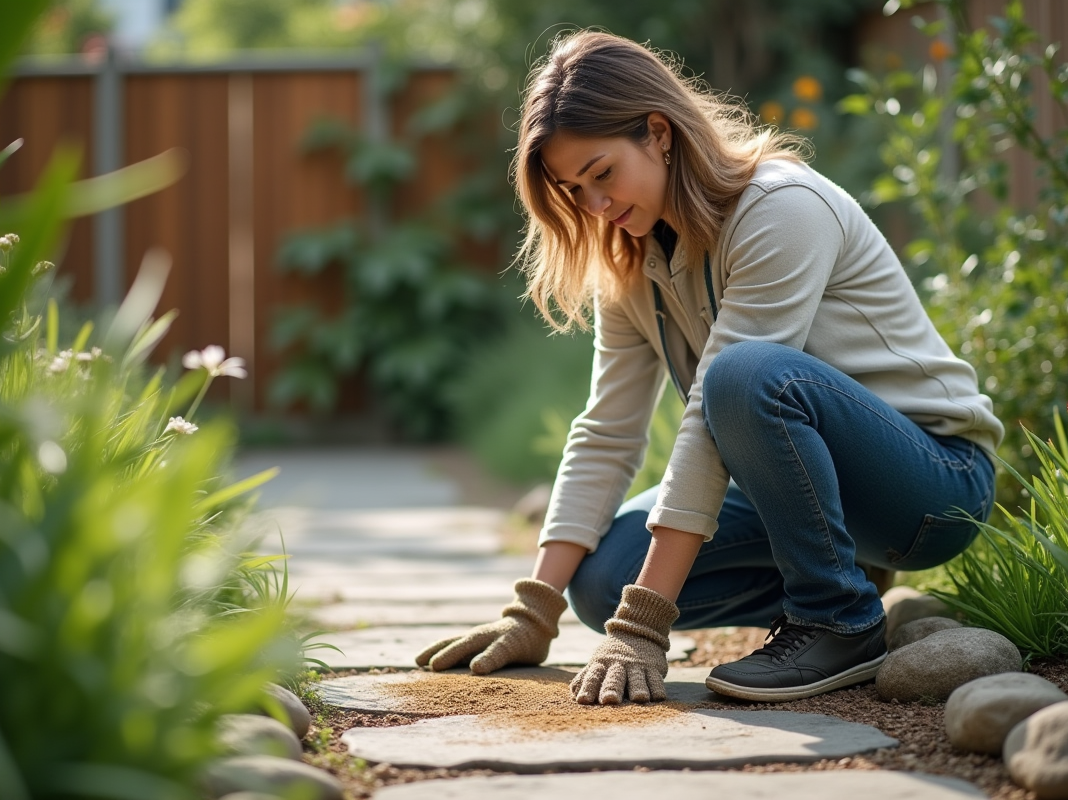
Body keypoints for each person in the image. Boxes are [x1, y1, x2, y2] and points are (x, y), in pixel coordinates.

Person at [414, 30, 1002, 706]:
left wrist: (644, 626)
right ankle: (847, 573)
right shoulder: (633, 259)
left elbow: (714, 410)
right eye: (576, 190)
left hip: (931, 484)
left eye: (602, 174)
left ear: (658, 133)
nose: (596, 207)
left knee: (743, 375)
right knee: (604, 581)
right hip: (803, 483)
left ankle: (837, 617)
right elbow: (607, 428)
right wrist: (535, 609)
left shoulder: (781, 209)